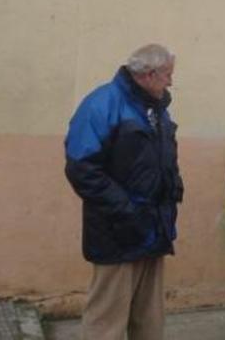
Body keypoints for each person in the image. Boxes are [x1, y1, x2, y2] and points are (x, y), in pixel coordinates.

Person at [64, 43, 183, 340]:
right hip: (116, 232)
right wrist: (125, 209)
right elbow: (81, 168)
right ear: (149, 74)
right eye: (168, 74)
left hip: (153, 230)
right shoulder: (102, 103)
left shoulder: (157, 109)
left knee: (149, 319)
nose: (171, 81)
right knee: (107, 320)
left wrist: (173, 190)